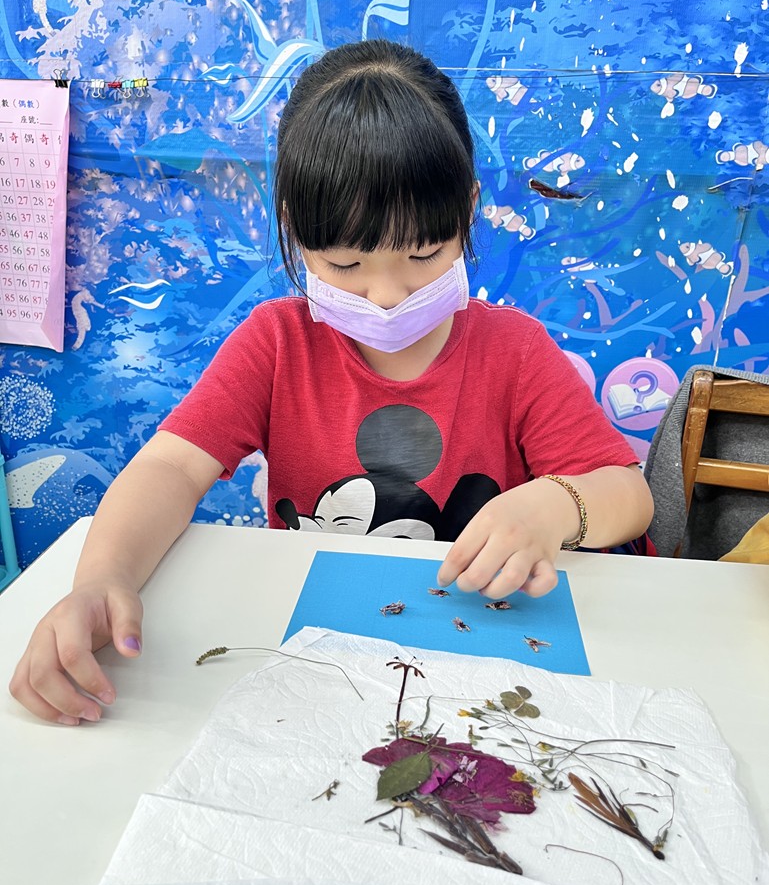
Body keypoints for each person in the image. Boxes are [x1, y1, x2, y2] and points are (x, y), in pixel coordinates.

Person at [9, 40, 653, 725]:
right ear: (295, 229)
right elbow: (169, 467)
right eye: (346, 264)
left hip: (483, 662)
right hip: (317, 667)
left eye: (424, 254)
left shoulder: (513, 351)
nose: (385, 294)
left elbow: (629, 495)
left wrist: (556, 507)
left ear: (466, 211)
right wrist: (102, 579)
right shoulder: (276, 343)